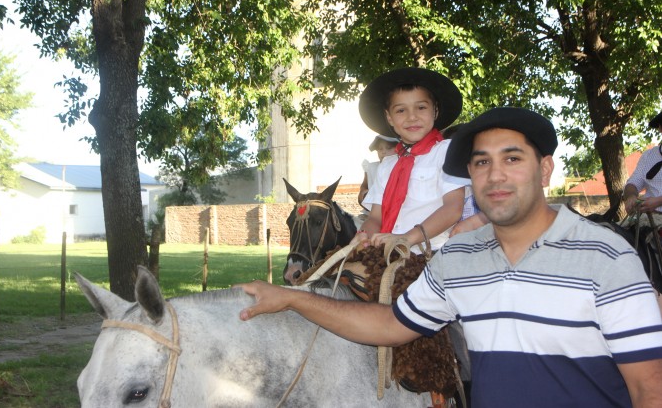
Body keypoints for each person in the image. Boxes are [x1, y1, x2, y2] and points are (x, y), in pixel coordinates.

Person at [238, 107, 662, 407]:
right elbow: (390, 324)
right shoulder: (460, 259)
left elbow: (651, 390)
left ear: (545, 169)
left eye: (512, 159)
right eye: (481, 163)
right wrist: (293, 297)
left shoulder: (606, 256)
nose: (495, 175)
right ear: (471, 176)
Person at [355, 67, 469, 253]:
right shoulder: (388, 165)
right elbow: (376, 218)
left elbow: (452, 209)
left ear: (435, 111)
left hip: (434, 252)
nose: (412, 117)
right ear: (389, 118)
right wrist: (364, 235)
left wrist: (406, 238)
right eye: (401, 110)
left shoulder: (447, 152)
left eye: (421, 107)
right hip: (389, 251)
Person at [624, 110, 662, 217]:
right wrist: (631, 196)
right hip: (648, 217)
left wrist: (658, 201)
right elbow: (633, 183)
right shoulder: (648, 155)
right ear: (660, 128)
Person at [358, 134, 399, 208]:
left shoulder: (403, 167)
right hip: (376, 209)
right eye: (380, 149)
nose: (383, 152)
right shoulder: (372, 167)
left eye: (389, 148)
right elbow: (365, 184)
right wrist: (362, 192)